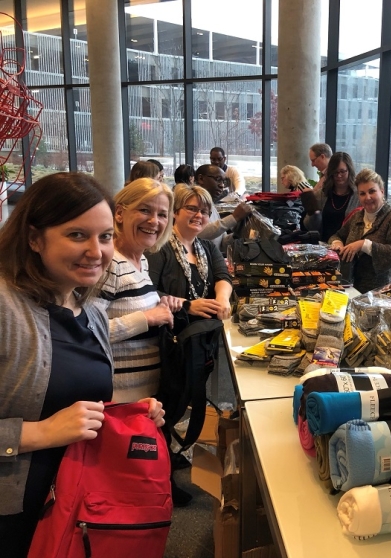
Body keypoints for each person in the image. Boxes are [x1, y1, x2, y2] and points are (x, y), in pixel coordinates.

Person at [0, 173, 165, 557]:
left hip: (73, 503)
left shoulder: (87, 310)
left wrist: (128, 415)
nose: (97, 251)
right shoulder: (7, 308)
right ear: (34, 238)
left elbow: (77, 404)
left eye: (105, 236)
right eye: (77, 235)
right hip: (13, 514)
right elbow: (53, 422)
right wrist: (38, 434)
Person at [96, 178, 178, 403]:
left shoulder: (141, 260)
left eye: (162, 214)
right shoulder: (109, 264)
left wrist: (160, 305)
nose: (154, 221)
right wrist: (147, 318)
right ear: (120, 214)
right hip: (116, 403)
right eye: (144, 210)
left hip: (143, 399)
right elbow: (87, 332)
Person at [147, 184, 233, 321]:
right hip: (174, 331)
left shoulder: (209, 247)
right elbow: (148, 294)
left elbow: (222, 276)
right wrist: (187, 306)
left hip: (207, 331)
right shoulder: (158, 248)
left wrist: (222, 299)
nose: (199, 215)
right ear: (175, 211)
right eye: (192, 209)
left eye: (204, 212)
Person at [329, 168, 391, 293]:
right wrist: (337, 243)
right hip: (349, 289)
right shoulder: (357, 216)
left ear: (382, 192)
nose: (368, 197)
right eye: (362, 193)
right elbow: (336, 235)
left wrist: (363, 244)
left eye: (372, 191)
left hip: (380, 294)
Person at [194, 163, 252, 252]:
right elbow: (198, 233)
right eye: (218, 179)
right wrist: (234, 217)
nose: (221, 185)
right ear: (201, 179)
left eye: (223, 182)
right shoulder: (191, 202)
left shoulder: (211, 205)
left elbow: (221, 243)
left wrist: (237, 234)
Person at [309, 151, 360, 242]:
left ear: (349, 171)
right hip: (323, 246)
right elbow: (310, 225)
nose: (339, 175)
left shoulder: (358, 195)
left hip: (348, 248)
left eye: (342, 171)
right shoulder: (321, 194)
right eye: (335, 172)